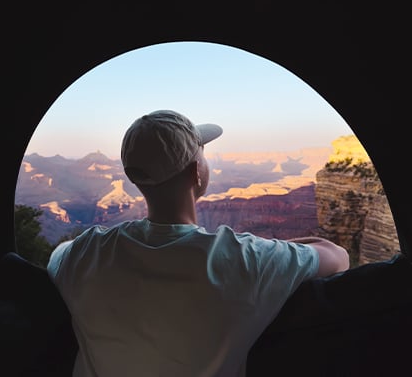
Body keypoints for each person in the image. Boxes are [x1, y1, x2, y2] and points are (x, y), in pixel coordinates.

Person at [47, 109, 350, 377]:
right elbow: (337, 256)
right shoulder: (243, 259)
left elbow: (56, 256)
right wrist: (264, 247)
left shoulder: (85, 252)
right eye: (203, 153)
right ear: (196, 171)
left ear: (133, 178)